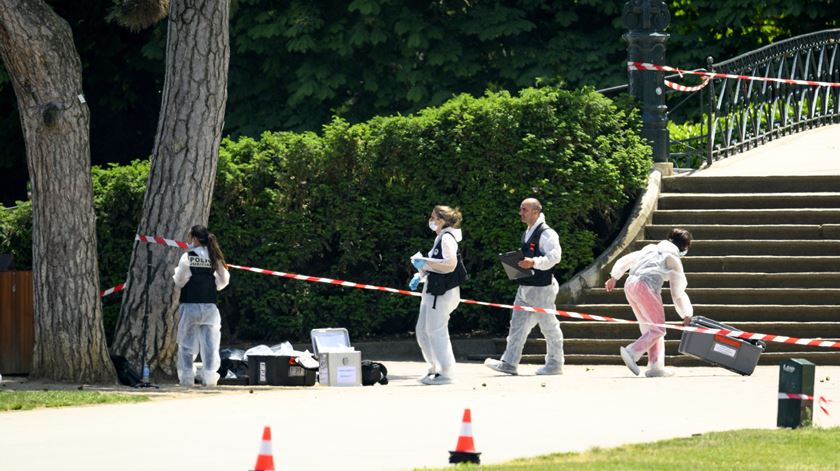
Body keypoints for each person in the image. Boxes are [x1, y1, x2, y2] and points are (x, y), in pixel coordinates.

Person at [484, 198, 565, 376]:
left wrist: (534, 262)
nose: (521, 213)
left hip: (542, 288)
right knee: (517, 325)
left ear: (536, 212)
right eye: (521, 209)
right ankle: (509, 362)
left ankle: (555, 363)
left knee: (549, 326)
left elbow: (555, 257)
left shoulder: (547, 233)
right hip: (525, 286)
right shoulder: (528, 232)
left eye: (525, 210)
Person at [605, 227, 694, 377]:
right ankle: (632, 352)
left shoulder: (650, 248)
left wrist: (614, 277)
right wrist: (686, 313)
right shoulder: (673, 259)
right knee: (658, 328)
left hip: (630, 284)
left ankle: (656, 367)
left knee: (650, 329)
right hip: (646, 287)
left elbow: (627, 259)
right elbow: (678, 292)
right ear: (683, 247)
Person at [408, 205, 465, 386]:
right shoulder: (441, 238)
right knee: (423, 330)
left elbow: (449, 265)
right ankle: (435, 368)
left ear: (441, 220)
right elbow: (439, 265)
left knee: (436, 331)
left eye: (433, 217)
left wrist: (425, 262)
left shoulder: (447, 238)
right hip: (434, 291)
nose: (431, 220)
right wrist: (422, 273)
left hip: (442, 293)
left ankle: (446, 372)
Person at [172, 225, 230, 386]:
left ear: (195, 238)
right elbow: (224, 279)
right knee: (211, 345)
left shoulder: (187, 257)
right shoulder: (214, 257)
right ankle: (210, 378)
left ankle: (187, 379)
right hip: (210, 307)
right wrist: (213, 286)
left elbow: (179, 280)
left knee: (186, 345)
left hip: (190, 305)